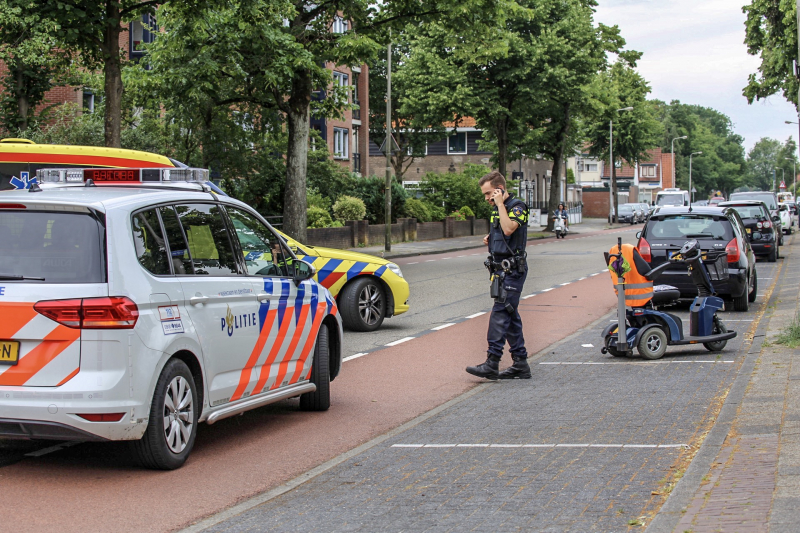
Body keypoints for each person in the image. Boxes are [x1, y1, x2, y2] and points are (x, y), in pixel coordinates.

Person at [466, 171, 531, 380]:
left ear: (499, 189)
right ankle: (520, 364)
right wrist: (491, 237)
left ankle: (492, 362)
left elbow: (510, 228)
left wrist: (501, 204)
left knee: (500, 313)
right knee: (510, 315)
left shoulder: (518, 206)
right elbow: (502, 231)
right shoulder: (497, 209)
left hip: (513, 270)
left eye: (488, 194)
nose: (487, 199)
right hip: (500, 271)